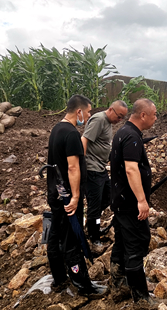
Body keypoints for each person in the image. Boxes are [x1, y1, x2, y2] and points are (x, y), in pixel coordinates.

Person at [46, 94, 107, 298]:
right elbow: (73, 168)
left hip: (55, 192)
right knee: (72, 238)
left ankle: (59, 278)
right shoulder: (71, 134)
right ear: (79, 111)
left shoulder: (56, 129)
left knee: (55, 235)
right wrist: (75, 197)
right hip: (67, 196)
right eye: (88, 111)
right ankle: (83, 285)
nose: (89, 115)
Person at [109, 98, 159, 307]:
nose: (156, 118)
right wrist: (141, 200)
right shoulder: (131, 137)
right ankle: (141, 298)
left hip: (120, 200)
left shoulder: (123, 132)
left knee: (121, 242)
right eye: (154, 114)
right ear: (143, 115)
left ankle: (118, 284)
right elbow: (131, 169)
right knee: (136, 244)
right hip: (130, 203)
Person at [81, 100, 129, 245]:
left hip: (100, 169)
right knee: (95, 206)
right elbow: (84, 139)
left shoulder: (107, 122)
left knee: (109, 197)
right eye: (119, 116)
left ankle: (92, 222)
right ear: (110, 109)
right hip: (92, 169)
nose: (120, 120)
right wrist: (82, 165)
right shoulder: (99, 119)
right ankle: (94, 237)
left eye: (122, 118)